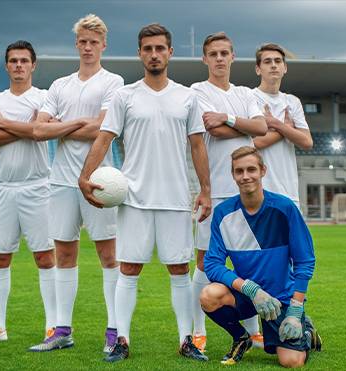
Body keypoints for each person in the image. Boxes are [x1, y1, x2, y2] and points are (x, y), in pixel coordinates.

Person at [79, 23, 211, 363]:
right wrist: (85, 176)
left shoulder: (187, 96)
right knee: (129, 269)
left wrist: (206, 190)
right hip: (133, 197)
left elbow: (197, 145)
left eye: (160, 48)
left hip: (174, 198)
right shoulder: (125, 95)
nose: (154, 54)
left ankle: (187, 340)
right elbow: (104, 138)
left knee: (179, 269)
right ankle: (121, 339)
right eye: (148, 48)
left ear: (169, 53)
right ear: (140, 53)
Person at [29, 14, 124, 352]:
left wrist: (63, 124)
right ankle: (61, 331)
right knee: (64, 253)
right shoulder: (59, 85)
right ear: (77, 44)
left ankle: (115, 331)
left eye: (93, 42)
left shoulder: (114, 82)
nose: (87, 47)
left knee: (108, 255)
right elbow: (39, 130)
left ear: (103, 45)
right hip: (61, 182)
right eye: (82, 41)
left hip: (100, 180)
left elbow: (103, 129)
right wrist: (82, 122)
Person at [201, 146, 322, 367]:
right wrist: (249, 288)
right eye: (239, 171)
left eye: (251, 169)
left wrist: (296, 308)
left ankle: (306, 330)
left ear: (262, 171)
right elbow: (212, 264)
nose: (245, 176)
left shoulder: (284, 208)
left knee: (291, 361)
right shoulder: (223, 213)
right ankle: (241, 338)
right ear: (233, 175)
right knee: (209, 295)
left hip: (281, 298)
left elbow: (305, 260)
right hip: (249, 295)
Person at [0, 41, 56, 346]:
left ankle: (52, 327)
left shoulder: (45, 98)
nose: (18, 65)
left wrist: (6, 124)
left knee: (45, 257)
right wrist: (27, 127)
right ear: (6, 66)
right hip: (2, 188)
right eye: (13, 61)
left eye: (24, 61)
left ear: (33, 65)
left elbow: (43, 131)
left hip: (37, 187)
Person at [190, 32, 267, 351]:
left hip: (244, 192)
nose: (219, 58)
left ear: (233, 57)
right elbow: (213, 128)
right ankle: (196, 331)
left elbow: (262, 128)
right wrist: (241, 124)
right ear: (205, 59)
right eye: (213, 54)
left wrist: (230, 118)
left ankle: (254, 331)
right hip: (214, 190)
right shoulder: (197, 91)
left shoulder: (247, 93)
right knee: (204, 261)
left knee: (247, 263)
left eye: (224, 53)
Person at [253, 43, 313, 209]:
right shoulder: (249, 98)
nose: (273, 65)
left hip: (289, 191)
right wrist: (286, 130)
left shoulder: (292, 101)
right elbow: (253, 143)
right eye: (267, 61)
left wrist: (275, 124)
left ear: (284, 68)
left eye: (278, 61)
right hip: (259, 190)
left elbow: (307, 142)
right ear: (258, 69)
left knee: (290, 236)